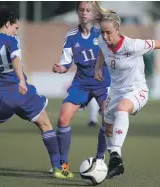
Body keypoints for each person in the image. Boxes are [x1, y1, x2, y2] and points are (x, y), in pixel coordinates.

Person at [0, 5, 73, 179]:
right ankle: (58, 168)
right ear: (6, 24)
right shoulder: (11, 41)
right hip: (20, 93)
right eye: (15, 25)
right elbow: (16, 59)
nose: (17, 28)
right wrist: (21, 79)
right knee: (46, 125)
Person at [94, 10, 160, 179]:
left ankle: (115, 158)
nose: (105, 36)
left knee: (122, 108)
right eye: (102, 32)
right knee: (107, 125)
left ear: (117, 30)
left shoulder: (133, 45)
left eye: (108, 32)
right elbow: (102, 52)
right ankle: (116, 162)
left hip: (136, 90)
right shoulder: (102, 42)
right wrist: (98, 67)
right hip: (116, 90)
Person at [51, 1, 110, 172]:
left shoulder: (102, 32)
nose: (84, 13)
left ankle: (99, 159)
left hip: (103, 83)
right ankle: (63, 164)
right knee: (63, 118)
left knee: (109, 118)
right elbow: (65, 63)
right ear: (77, 12)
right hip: (81, 83)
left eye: (88, 10)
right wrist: (60, 68)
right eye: (81, 10)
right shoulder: (71, 36)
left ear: (95, 12)